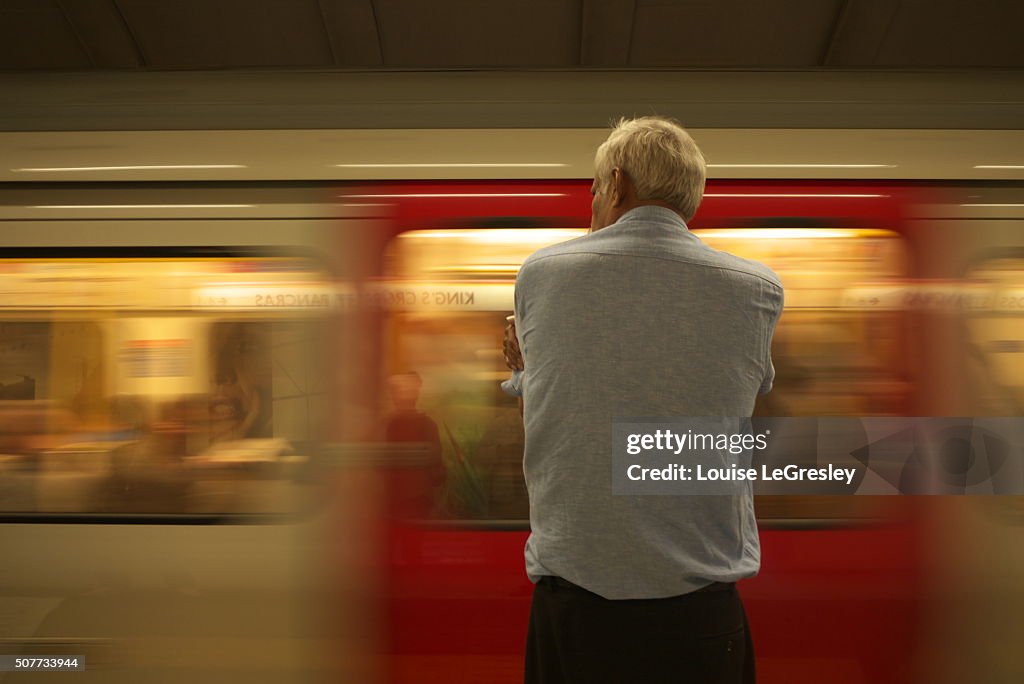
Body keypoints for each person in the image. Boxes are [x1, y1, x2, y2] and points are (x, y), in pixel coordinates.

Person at [504, 116, 783, 683]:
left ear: (616, 183)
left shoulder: (543, 273)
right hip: (701, 619)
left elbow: (548, 430)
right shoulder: (758, 288)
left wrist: (523, 371)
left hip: (577, 615)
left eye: (594, 194)